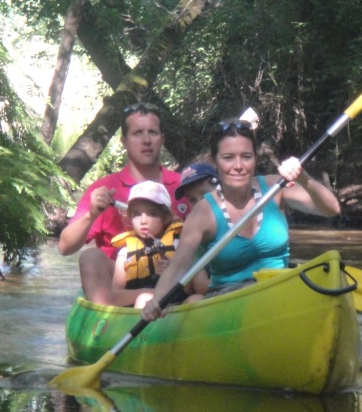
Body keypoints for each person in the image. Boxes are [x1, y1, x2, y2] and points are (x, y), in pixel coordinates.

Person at [142, 118, 340, 321]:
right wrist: (157, 300)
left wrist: (303, 178)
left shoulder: (275, 188)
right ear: (215, 160)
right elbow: (179, 265)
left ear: (255, 158)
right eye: (228, 157)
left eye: (246, 156)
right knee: (194, 302)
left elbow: (331, 209)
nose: (238, 166)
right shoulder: (202, 213)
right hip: (228, 300)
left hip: (278, 290)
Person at [58, 102, 188, 303]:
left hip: (173, 275)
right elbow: (64, 247)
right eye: (137, 133)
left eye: (152, 132)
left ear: (162, 140)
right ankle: (107, 320)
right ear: (124, 141)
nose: (146, 141)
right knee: (90, 257)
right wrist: (91, 214)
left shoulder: (183, 186)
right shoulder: (104, 187)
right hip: (121, 286)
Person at [111, 181, 182, 309]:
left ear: (165, 217)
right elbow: (114, 296)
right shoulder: (125, 254)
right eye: (136, 214)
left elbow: (192, 285)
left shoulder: (178, 245)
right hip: (141, 308)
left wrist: (172, 271)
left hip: (175, 305)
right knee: (145, 299)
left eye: (152, 214)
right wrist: (149, 294)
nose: (143, 221)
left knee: (196, 298)